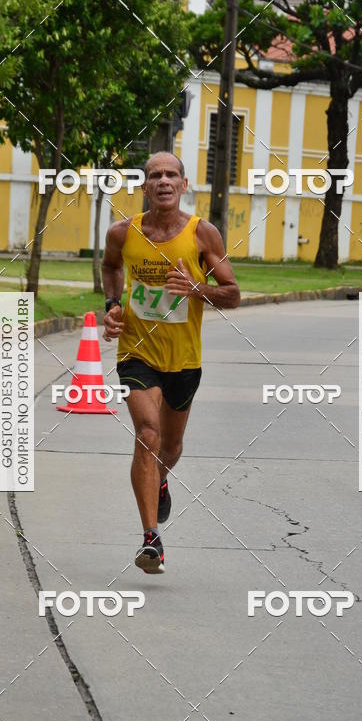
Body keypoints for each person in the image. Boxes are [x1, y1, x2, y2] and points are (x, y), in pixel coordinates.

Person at [101, 151, 241, 575]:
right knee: (148, 434)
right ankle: (151, 538)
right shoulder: (122, 233)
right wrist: (111, 304)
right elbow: (110, 269)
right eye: (154, 175)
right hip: (136, 351)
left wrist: (198, 289)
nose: (163, 181)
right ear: (143, 187)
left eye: (171, 175)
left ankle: (160, 478)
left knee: (171, 446)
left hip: (184, 357)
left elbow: (232, 293)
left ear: (183, 185)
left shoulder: (203, 235)